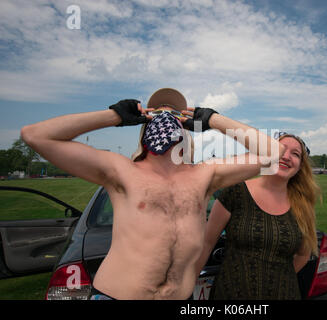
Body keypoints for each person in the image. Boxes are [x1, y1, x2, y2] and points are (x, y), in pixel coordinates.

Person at [20, 88, 284, 300]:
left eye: (175, 115)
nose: (166, 118)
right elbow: (35, 136)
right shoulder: (120, 170)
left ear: (187, 126)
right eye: (157, 113)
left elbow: (273, 153)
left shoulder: (206, 174)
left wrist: (213, 120)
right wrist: (115, 116)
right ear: (145, 123)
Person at [195, 132, 320, 299]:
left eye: (295, 154)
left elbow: (303, 255)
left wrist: (276, 279)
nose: (287, 156)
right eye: (280, 149)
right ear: (268, 154)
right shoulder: (235, 192)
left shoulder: (303, 206)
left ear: (299, 167)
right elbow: (206, 243)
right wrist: (186, 284)